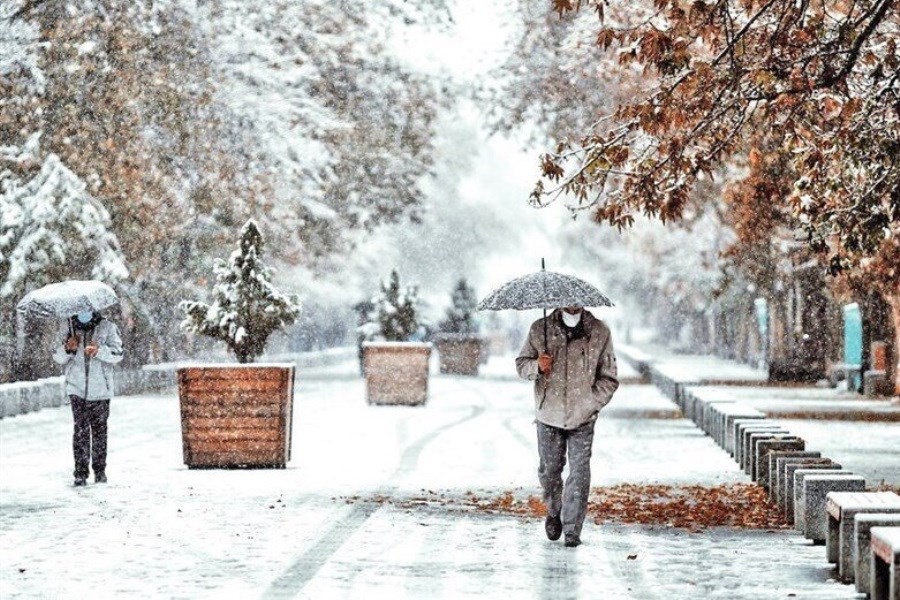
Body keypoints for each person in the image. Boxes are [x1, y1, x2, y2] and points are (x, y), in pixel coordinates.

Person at [516, 305, 619, 547]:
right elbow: (522, 364)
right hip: (548, 414)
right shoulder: (540, 329)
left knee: (580, 472)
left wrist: (592, 402)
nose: (571, 304)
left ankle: (572, 529)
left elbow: (610, 377)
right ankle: (554, 511)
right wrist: (537, 367)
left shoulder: (600, 332)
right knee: (550, 471)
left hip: (583, 417)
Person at [52, 310, 123, 486]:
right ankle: (80, 473)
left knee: (99, 431)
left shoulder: (107, 327)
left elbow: (118, 353)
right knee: (81, 431)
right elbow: (57, 356)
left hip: (101, 390)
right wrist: (68, 348)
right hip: (76, 388)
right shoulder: (67, 327)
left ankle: (100, 471)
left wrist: (99, 351)